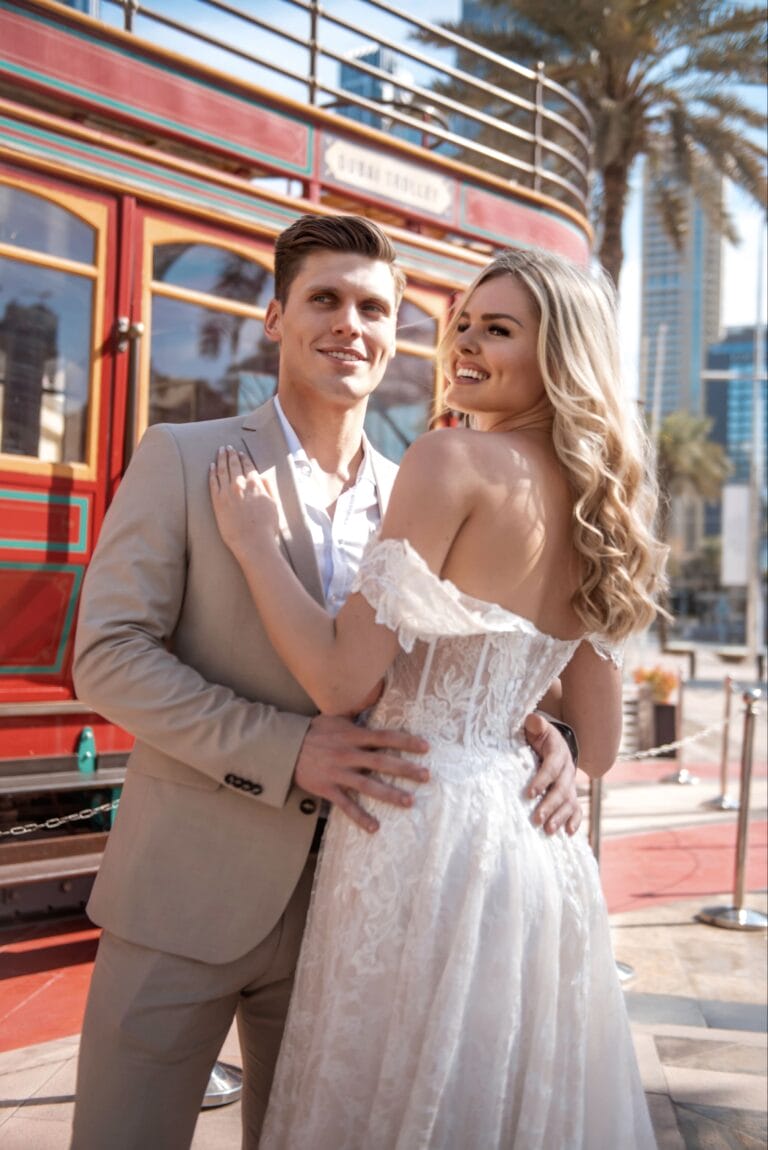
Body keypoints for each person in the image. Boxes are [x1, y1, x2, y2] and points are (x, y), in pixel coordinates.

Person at [69, 215, 581, 1150]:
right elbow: (108, 656)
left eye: (375, 309)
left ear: (397, 337)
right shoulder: (183, 456)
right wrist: (285, 749)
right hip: (185, 893)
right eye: (326, 300)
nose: (352, 324)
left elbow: (467, 665)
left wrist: (544, 734)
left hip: (354, 913)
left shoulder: (427, 488)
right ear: (275, 318)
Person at [209, 246, 667, 1149]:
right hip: (534, 843)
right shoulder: (601, 504)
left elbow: (342, 680)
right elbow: (601, 742)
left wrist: (257, 546)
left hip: (418, 823)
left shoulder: (449, 458)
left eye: (498, 330)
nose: (464, 344)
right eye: (462, 324)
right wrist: (542, 735)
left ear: (558, 356)